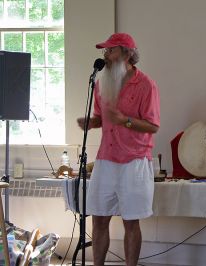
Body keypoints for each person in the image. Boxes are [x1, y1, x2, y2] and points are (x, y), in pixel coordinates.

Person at [77, 32, 160, 266]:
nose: (105, 55)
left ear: (126, 53)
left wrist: (125, 120)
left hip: (134, 161)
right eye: (105, 51)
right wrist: (91, 122)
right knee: (98, 219)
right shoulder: (102, 83)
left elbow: (153, 126)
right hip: (106, 159)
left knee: (131, 221)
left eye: (110, 50)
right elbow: (101, 118)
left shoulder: (146, 85)